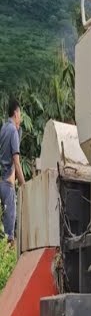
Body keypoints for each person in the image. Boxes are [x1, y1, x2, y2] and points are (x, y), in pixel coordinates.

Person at [0, 98, 24, 243]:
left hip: (1, 181)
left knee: (3, 225)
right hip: (8, 183)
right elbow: (16, 160)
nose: (20, 117)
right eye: (20, 114)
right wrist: (23, 183)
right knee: (9, 232)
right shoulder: (13, 131)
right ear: (16, 113)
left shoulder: (3, 128)